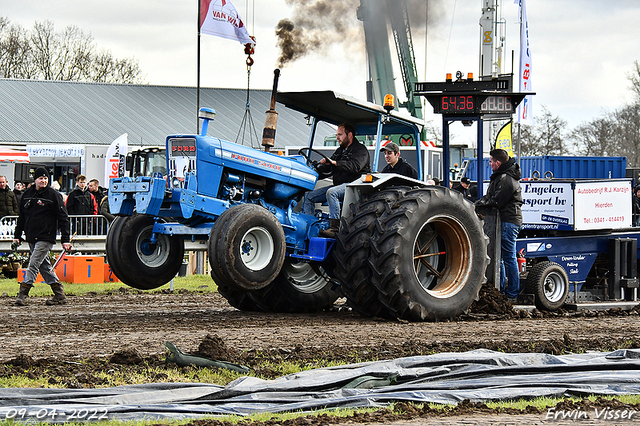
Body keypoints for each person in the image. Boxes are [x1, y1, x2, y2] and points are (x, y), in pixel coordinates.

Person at [13, 167, 71, 306]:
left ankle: (23, 294)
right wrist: (17, 235)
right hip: (32, 236)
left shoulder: (53, 195)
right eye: (41, 178)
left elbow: (64, 218)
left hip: (46, 236)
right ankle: (59, 294)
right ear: (35, 180)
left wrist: (65, 239)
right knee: (43, 266)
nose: (43, 181)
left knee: (33, 264)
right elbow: (22, 217)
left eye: (45, 178)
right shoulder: (27, 194)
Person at [303, 123, 371, 238]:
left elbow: (355, 166)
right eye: (337, 135)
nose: (337, 138)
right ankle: (309, 226)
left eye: (340, 134)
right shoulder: (340, 151)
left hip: (354, 186)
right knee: (309, 196)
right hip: (339, 185)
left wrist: (335, 163)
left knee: (332, 192)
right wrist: (315, 170)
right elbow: (329, 168)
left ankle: (334, 228)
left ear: (350, 135)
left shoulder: (360, 150)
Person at [475, 149, 523, 303]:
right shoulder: (502, 177)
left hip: (509, 221)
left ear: (498, 162)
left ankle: (511, 294)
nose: (489, 164)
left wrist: (480, 204)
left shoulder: (506, 179)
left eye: (490, 161)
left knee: (508, 257)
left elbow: (497, 201)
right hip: (506, 220)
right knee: (501, 257)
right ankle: (501, 291)